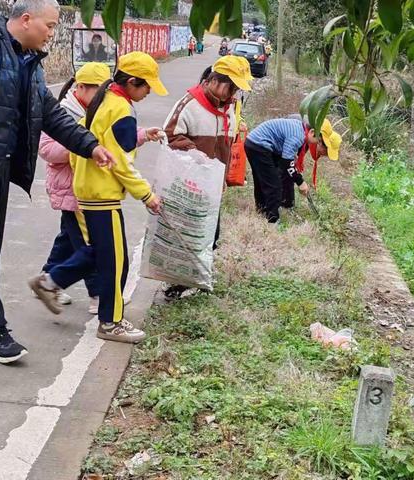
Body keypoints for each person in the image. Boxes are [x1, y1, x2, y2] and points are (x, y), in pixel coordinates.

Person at [0, 0, 116, 364]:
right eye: (49, 25)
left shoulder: (28, 62)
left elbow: (51, 115)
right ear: (25, 19)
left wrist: (90, 146)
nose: (52, 32)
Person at [30, 52, 167, 344]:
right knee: (115, 261)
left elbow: (101, 144)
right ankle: (111, 321)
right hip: (101, 193)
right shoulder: (120, 109)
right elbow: (122, 161)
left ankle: (50, 281)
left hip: (89, 189)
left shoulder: (105, 102)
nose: (149, 92)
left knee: (102, 254)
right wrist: (147, 195)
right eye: (147, 87)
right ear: (132, 82)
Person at [162, 56, 252, 300]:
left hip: (212, 186)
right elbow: (169, 136)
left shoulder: (229, 108)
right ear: (213, 80)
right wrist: (195, 155)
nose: (233, 93)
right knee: (186, 236)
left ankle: (196, 279)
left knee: (210, 235)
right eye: (230, 87)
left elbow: (227, 144)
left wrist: (220, 177)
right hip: (189, 183)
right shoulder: (189, 104)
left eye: (236, 89)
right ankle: (177, 284)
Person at [36, 62, 111, 315]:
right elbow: (47, 151)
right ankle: (98, 293)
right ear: (80, 87)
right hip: (70, 188)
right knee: (88, 244)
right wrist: (81, 144)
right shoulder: (61, 112)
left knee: (68, 239)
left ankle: (47, 279)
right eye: (98, 92)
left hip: (84, 189)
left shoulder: (97, 111)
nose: (102, 98)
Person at [244, 117, 342, 223]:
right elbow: (286, 162)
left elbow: (287, 158)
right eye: (318, 141)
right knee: (274, 186)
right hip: (260, 146)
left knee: (263, 181)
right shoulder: (298, 136)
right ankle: (272, 220)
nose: (317, 144)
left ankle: (261, 210)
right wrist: (300, 182)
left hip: (253, 143)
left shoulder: (300, 129)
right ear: (312, 132)